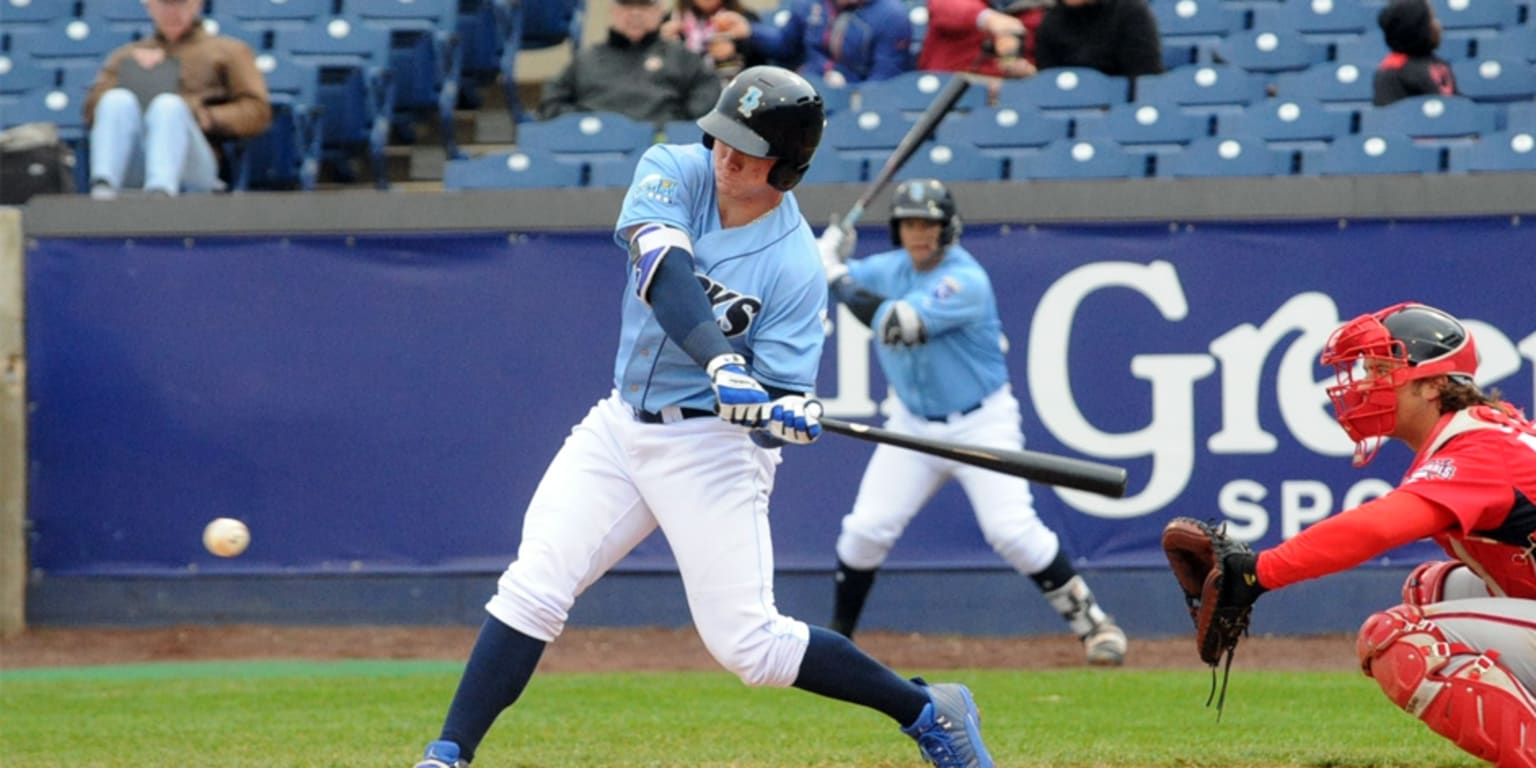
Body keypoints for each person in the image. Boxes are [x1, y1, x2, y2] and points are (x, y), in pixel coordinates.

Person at [413, 66, 996, 768]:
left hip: (712, 449)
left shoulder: (794, 265)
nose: (725, 155)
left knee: (751, 646)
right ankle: (447, 755)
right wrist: (724, 363)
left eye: (747, 150)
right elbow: (662, 268)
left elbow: (775, 397)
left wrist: (780, 412)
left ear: (786, 167)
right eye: (722, 137)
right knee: (536, 583)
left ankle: (929, 709)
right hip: (620, 425)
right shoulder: (674, 168)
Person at [1189, 302, 1536, 767]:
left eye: (1381, 369)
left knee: (1397, 637)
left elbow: (1377, 527)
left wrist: (1259, 572)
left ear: (1435, 384)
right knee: (1428, 586)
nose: (1366, 383)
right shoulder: (1486, 430)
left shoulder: (1478, 448)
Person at [815, 179, 1129, 665]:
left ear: (948, 228)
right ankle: (840, 638)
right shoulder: (887, 267)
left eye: (929, 224)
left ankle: (1095, 624)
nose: (920, 233)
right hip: (912, 425)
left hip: (980, 422)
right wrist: (820, 256)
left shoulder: (964, 279)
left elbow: (898, 324)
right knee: (865, 529)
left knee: (1012, 531)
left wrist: (834, 274)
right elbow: (822, 281)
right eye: (910, 223)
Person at [82, 0, 270, 199]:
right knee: (115, 100)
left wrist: (206, 116)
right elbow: (93, 110)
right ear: (149, 5)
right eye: (165, 5)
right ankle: (103, 187)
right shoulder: (126, 56)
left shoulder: (228, 51)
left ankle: (161, 192)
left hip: (194, 159)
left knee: (168, 107)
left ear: (197, 4)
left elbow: (257, 111)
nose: (173, 12)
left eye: (181, 4)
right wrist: (135, 79)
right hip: (136, 157)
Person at [537, 0, 722, 124]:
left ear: (659, 12)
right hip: (596, 146)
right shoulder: (586, 60)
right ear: (613, 11)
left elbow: (708, 91)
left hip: (661, 148)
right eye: (627, 6)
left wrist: (677, 123)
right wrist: (583, 125)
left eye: (643, 6)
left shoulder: (682, 57)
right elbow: (551, 102)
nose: (635, 14)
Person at [709, 0, 914, 88]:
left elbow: (884, 81)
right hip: (806, 88)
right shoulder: (808, 3)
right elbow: (785, 45)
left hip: (854, 95)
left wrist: (847, 94)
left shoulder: (892, 16)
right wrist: (750, 31)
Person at [917, 0, 1050, 81]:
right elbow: (946, 8)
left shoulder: (1040, 12)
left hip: (1006, 94)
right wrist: (986, 18)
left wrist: (1026, 71)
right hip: (948, 89)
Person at [1032, 0, 1162, 79]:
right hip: (1069, 101)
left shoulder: (1131, 13)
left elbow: (1145, 76)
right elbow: (1049, 79)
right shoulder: (1051, 21)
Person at [1372, 0, 1457, 106]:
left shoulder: (1439, 63)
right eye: (1431, 20)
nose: (1438, 25)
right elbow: (1390, 117)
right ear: (1416, 28)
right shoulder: (1392, 71)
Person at [659, 0, 767, 83]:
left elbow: (762, 67)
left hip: (734, 92)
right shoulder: (671, 21)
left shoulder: (744, 19)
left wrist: (738, 47)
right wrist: (665, 45)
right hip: (684, 95)